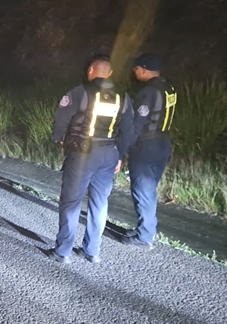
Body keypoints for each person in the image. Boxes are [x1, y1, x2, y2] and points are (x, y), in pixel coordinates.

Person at [50, 56, 134, 263]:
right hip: (109, 154)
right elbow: (129, 128)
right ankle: (92, 251)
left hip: (83, 154)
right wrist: (120, 155)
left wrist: (60, 139)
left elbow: (61, 118)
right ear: (110, 73)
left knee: (71, 201)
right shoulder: (123, 97)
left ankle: (62, 252)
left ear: (90, 71)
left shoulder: (80, 92)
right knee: (100, 202)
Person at [122, 53, 176, 249]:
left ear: (143, 69)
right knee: (149, 189)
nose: (134, 71)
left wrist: (124, 148)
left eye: (136, 68)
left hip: (147, 146)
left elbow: (137, 123)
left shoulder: (148, 92)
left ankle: (145, 236)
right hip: (163, 143)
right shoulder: (169, 88)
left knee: (143, 190)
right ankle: (146, 228)